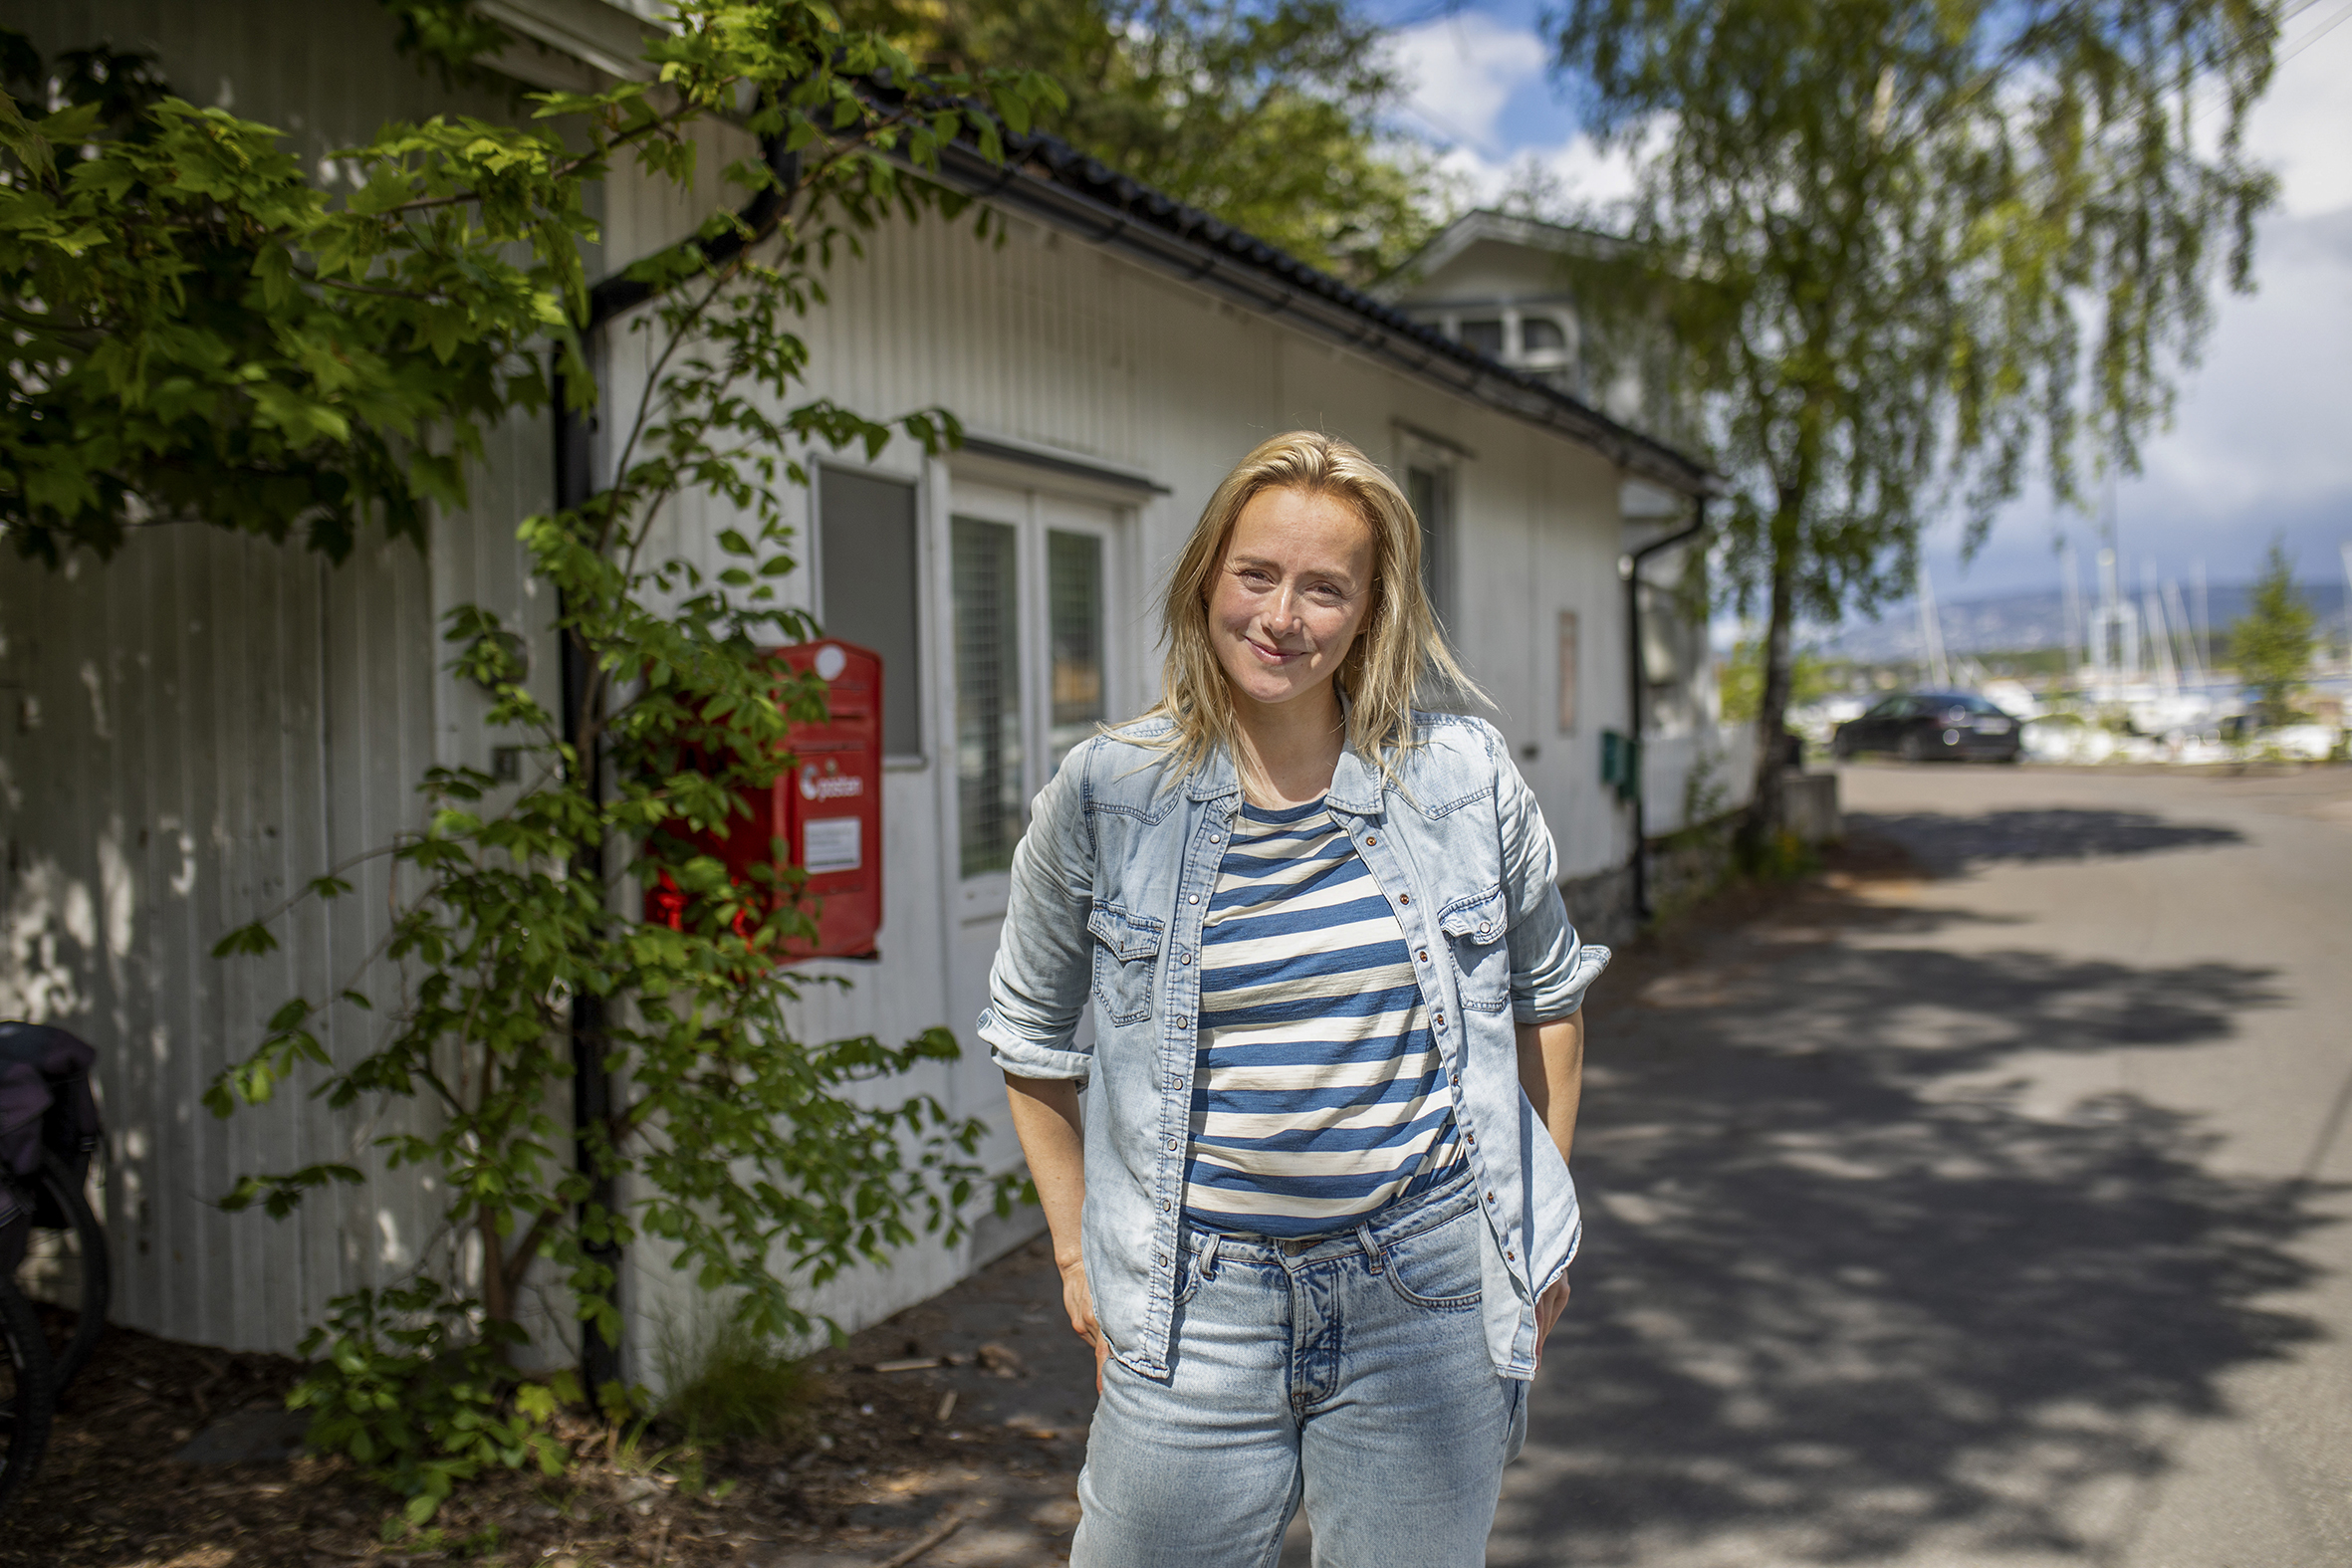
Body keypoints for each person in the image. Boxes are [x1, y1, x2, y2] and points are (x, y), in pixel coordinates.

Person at [979, 431, 1607, 1567]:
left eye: (1325, 588)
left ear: (1370, 613)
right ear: (1205, 580)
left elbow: (1548, 998)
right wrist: (1077, 1259)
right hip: (1192, 1308)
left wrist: (1531, 1241)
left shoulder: (1461, 779)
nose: (1282, 616)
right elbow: (1027, 1037)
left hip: (1423, 1295)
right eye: (1256, 574)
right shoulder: (1106, 794)